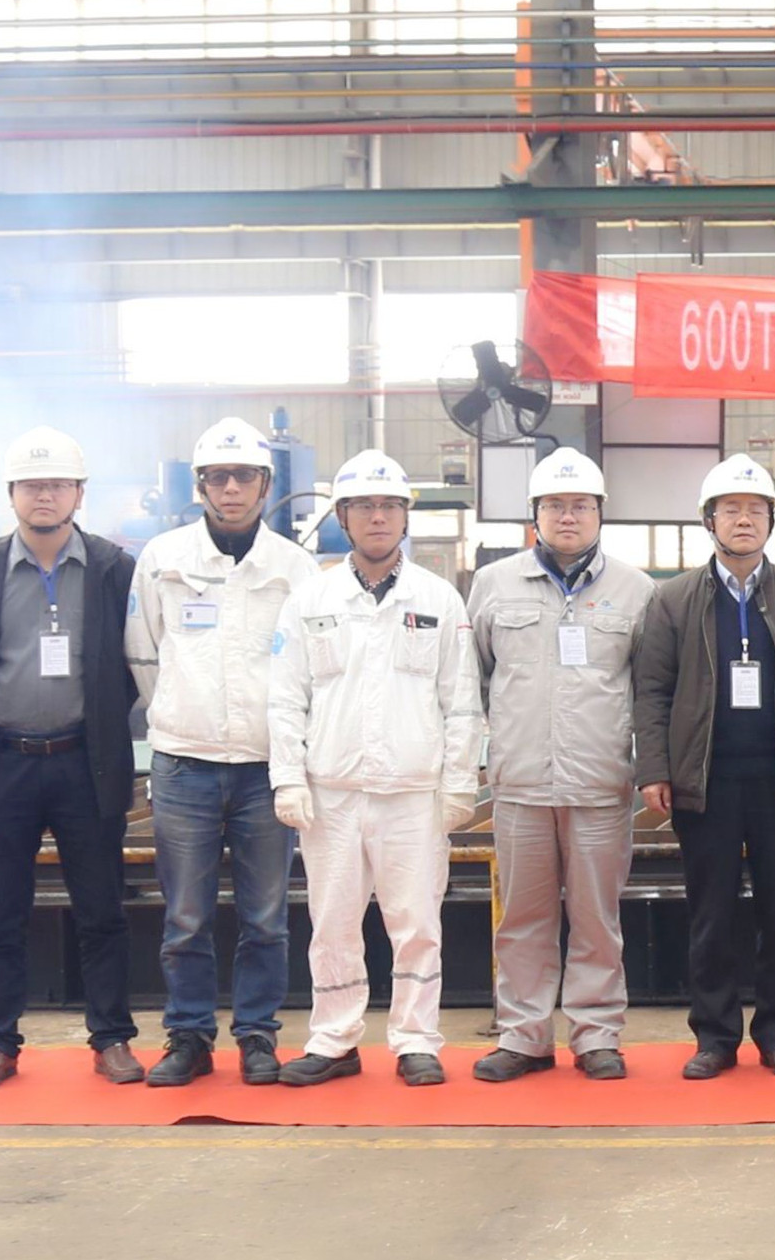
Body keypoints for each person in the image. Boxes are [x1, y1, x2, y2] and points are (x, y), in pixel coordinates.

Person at [266, 449, 484, 1086]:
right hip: (331, 794)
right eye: (364, 505)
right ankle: (334, 1040)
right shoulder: (310, 599)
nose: (378, 517)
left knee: (416, 924)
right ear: (342, 516)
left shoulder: (438, 599)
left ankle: (416, 1040)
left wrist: (459, 784)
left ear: (406, 515)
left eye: (389, 505)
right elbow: (285, 697)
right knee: (333, 922)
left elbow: (461, 701)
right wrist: (288, 777)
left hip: (413, 795)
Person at [0, 427, 145, 1091]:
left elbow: (135, 661)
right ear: (12, 494)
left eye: (57, 484)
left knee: (102, 910)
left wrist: (100, 718)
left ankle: (111, 1038)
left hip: (86, 763)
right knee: (0, 913)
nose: (44, 496)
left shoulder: (113, 569)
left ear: (79, 493)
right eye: (32, 485)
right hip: (5, 764)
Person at [634, 454, 775, 1080]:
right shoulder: (673, 600)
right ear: (710, 520)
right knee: (711, 915)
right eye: (731, 509)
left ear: (772, 520)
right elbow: (652, 691)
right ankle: (715, 1037)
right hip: (706, 782)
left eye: (756, 510)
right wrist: (655, 770)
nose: (744, 520)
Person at [127, 417, 319, 1087]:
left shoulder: (295, 569)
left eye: (243, 476)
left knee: (266, 918)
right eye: (218, 476)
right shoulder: (163, 559)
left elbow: (309, 668)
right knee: (186, 917)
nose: (231, 488)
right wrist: (180, 714)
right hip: (184, 765)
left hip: (268, 769)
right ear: (200, 484)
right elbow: (144, 654)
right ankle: (188, 1037)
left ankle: (257, 1035)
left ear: (265, 484)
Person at [466, 448, 657, 1082]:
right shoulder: (494, 585)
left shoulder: (636, 591)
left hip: (601, 784)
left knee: (598, 919)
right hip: (520, 785)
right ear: (535, 514)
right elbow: (475, 680)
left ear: (601, 513)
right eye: (554, 505)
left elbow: (649, 690)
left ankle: (596, 1033)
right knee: (523, 918)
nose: (567, 516)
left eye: (580, 505)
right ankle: (523, 1036)